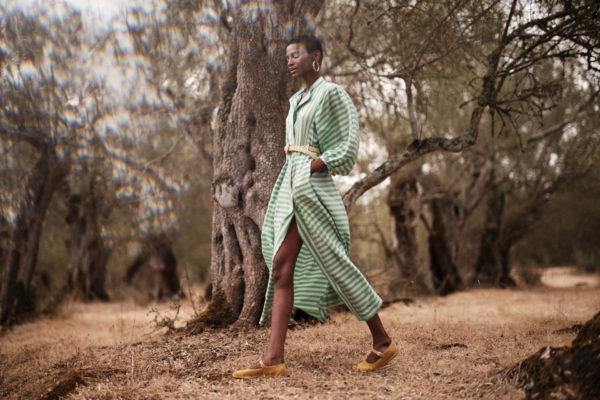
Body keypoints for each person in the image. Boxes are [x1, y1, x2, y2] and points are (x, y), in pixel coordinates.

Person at [233, 35, 396, 378]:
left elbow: (348, 144)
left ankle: (382, 341)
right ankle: (273, 358)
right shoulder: (296, 100)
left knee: (334, 264)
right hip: (292, 188)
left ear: (316, 57)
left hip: (313, 190)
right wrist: (296, 172)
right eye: (287, 56)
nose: (290, 61)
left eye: (297, 55)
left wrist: (319, 163)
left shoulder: (331, 93)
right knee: (280, 266)